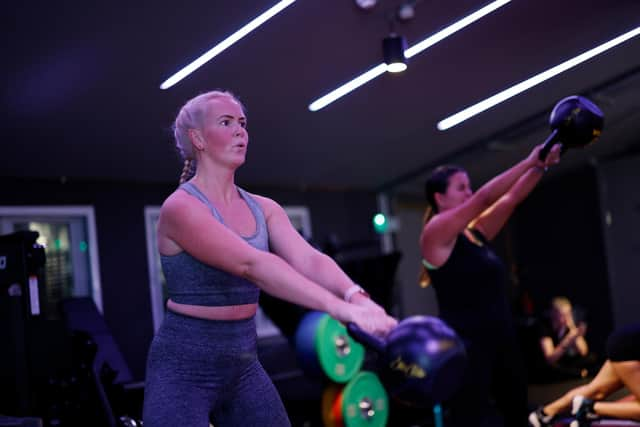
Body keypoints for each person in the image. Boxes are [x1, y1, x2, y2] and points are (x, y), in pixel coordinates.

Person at [142, 90, 397, 427]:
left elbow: (309, 259)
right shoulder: (182, 208)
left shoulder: (264, 208)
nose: (240, 131)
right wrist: (342, 310)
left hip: (243, 363)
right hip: (183, 364)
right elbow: (253, 265)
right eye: (226, 122)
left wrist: (358, 297)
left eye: (243, 123)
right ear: (198, 138)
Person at [418, 142, 562, 427]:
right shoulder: (434, 233)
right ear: (439, 198)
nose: (469, 193)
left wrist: (541, 164)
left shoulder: (475, 234)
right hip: (467, 348)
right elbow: (484, 198)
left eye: (469, 187)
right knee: (472, 419)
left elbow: (511, 199)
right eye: (461, 188)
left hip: (502, 340)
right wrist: (527, 160)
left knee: (516, 412)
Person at [529, 322, 640, 427]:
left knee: (596, 390)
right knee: (596, 393)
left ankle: (544, 414)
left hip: (625, 340)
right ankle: (588, 409)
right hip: (631, 346)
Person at [537, 296, 597, 381]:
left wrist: (573, 330)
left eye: (568, 314)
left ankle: (578, 373)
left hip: (566, 361)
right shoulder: (545, 328)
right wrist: (568, 340)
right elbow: (550, 358)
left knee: (591, 358)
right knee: (551, 368)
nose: (566, 318)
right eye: (562, 315)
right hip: (555, 362)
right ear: (554, 314)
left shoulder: (569, 324)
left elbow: (583, 351)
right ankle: (580, 373)